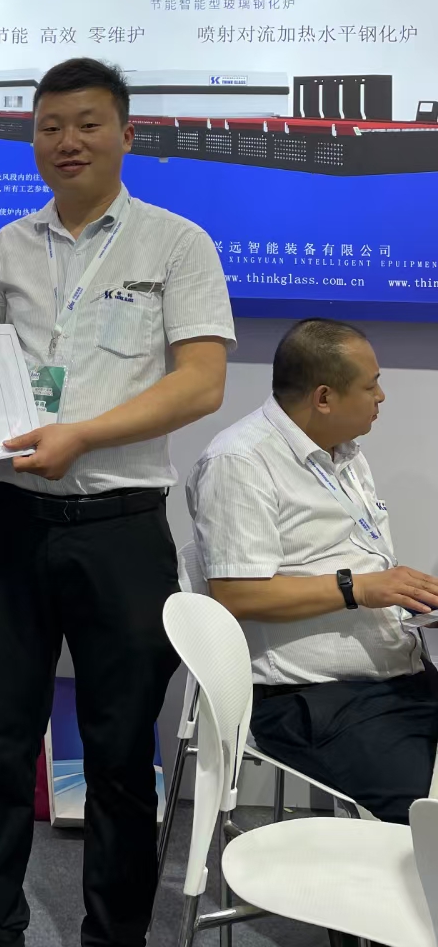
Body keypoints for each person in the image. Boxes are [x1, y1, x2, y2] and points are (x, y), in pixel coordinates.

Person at [0, 57, 236, 947]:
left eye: (86, 124)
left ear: (126, 133)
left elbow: (200, 383)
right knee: (4, 736)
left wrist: (82, 434)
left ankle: (115, 934)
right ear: (33, 137)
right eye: (50, 126)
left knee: (119, 749)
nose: (67, 141)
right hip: (6, 525)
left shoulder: (176, 244)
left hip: (120, 530)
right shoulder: (10, 245)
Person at [188, 317, 438, 824]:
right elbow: (236, 595)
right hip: (312, 699)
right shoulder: (240, 462)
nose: (381, 397)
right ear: (324, 397)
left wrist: (410, 597)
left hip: (400, 679)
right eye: (371, 385)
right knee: (428, 810)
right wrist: (359, 588)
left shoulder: (344, 453)